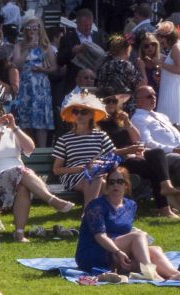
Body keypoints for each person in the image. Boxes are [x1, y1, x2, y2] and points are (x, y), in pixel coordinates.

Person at [0, 105, 76, 241]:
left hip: (20, 175)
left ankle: (19, 233)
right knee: (22, 172)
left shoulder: (11, 133)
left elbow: (30, 148)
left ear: (3, 118)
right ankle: (52, 200)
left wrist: (14, 128)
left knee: (22, 187)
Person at [75, 163, 180, 279]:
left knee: (154, 250)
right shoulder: (96, 206)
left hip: (117, 250)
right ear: (107, 185)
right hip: (94, 251)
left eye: (120, 181)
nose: (115, 185)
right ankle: (151, 273)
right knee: (137, 236)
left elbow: (123, 231)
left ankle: (175, 275)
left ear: (126, 185)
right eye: (111, 182)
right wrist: (118, 251)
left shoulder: (130, 205)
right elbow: (100, 236)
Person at [52, 90, 116, 206]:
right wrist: (78, 169)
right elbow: (57, 170)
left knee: (97, 176)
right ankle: (93, 215)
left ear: (91, 114)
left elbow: (113, 159)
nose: (79, 115)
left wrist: (101, 164)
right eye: (75, 112)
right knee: (100, 180)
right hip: (73, 175)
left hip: (97, 172)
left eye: (84, 112)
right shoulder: (64, 139)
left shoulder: (101, 135)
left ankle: (90, 215)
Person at [131, 85, 180, 215]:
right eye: (149, 96)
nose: (153, 98)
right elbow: (147, 143)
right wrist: (174, 149)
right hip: (163, 155)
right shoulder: (138, 118)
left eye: (154, 95)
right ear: (138, 101)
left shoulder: (162, 116)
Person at [11, 16, 56, 148]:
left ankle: (41, 149)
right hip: (25, 84)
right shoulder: (19, 45)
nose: (32, 30)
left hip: (41, 85)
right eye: (29, 27)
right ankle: (28, 149)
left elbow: (54, 67)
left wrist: (43, 69)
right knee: (26, 118)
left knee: (41, 119)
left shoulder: (46, 47)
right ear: (25, 29)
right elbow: (16, 64)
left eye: (35, 27)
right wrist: (27, 50)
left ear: (39, 29)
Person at [160, 25, 180, 123]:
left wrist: (161, 64)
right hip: (169, 88)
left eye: (161, 38)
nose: (160, 41)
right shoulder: (175, 47)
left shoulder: (176, 47)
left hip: (172, 91)